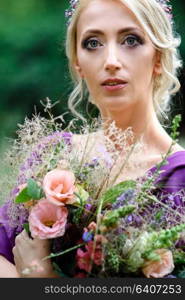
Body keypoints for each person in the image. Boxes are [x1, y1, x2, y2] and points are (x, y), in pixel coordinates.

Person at [0, 0, 185, 277]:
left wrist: (42, 282)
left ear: (158, 57)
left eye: (131, 40)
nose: (111, 61)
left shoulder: (179, 177)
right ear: (77, 62)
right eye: (93, 43)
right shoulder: (52, 156)